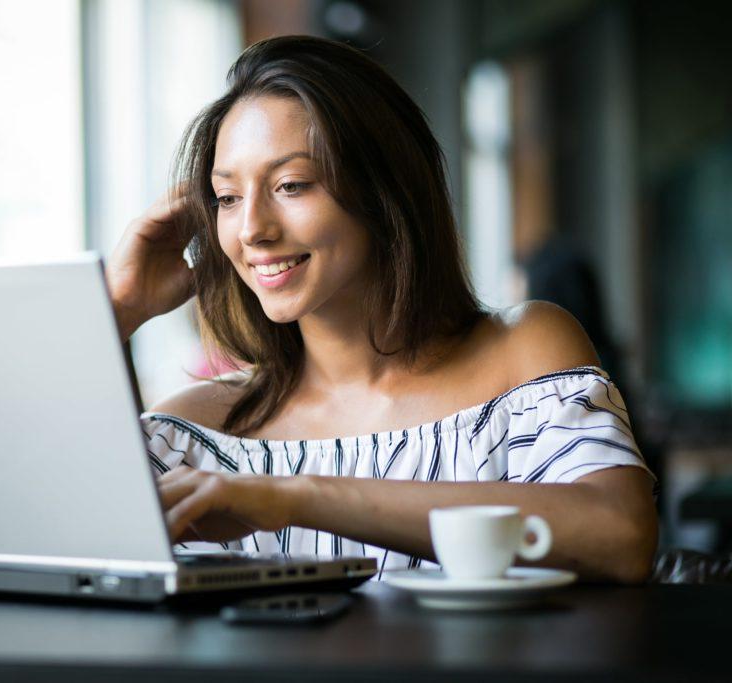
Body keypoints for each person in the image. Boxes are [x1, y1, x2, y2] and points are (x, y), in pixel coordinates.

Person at [105, 35, 658, 583]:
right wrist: (118, 310)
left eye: (291, 185)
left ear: (384, 191)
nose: (252, 229)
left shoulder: (523, 352)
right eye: (226, 197)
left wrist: (297, 495)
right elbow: (31, 530)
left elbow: (620, 535)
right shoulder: (195, 432)